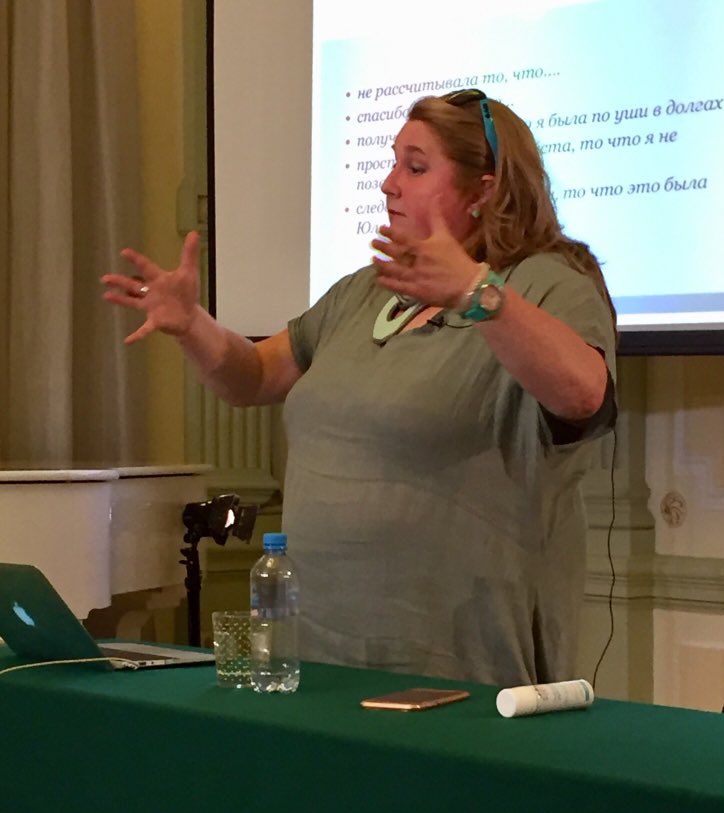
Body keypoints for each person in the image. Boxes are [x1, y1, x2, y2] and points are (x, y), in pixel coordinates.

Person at [102, 90, 617, 688]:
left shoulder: (548, 283)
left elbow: (583, 395)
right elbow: (254, 376)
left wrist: (476, 293)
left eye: (415, 167)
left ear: (482, 191)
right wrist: (193, 325)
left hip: (459, 667)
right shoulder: (366, 290)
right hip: (317, 653)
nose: (388, 184)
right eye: (393, 163)